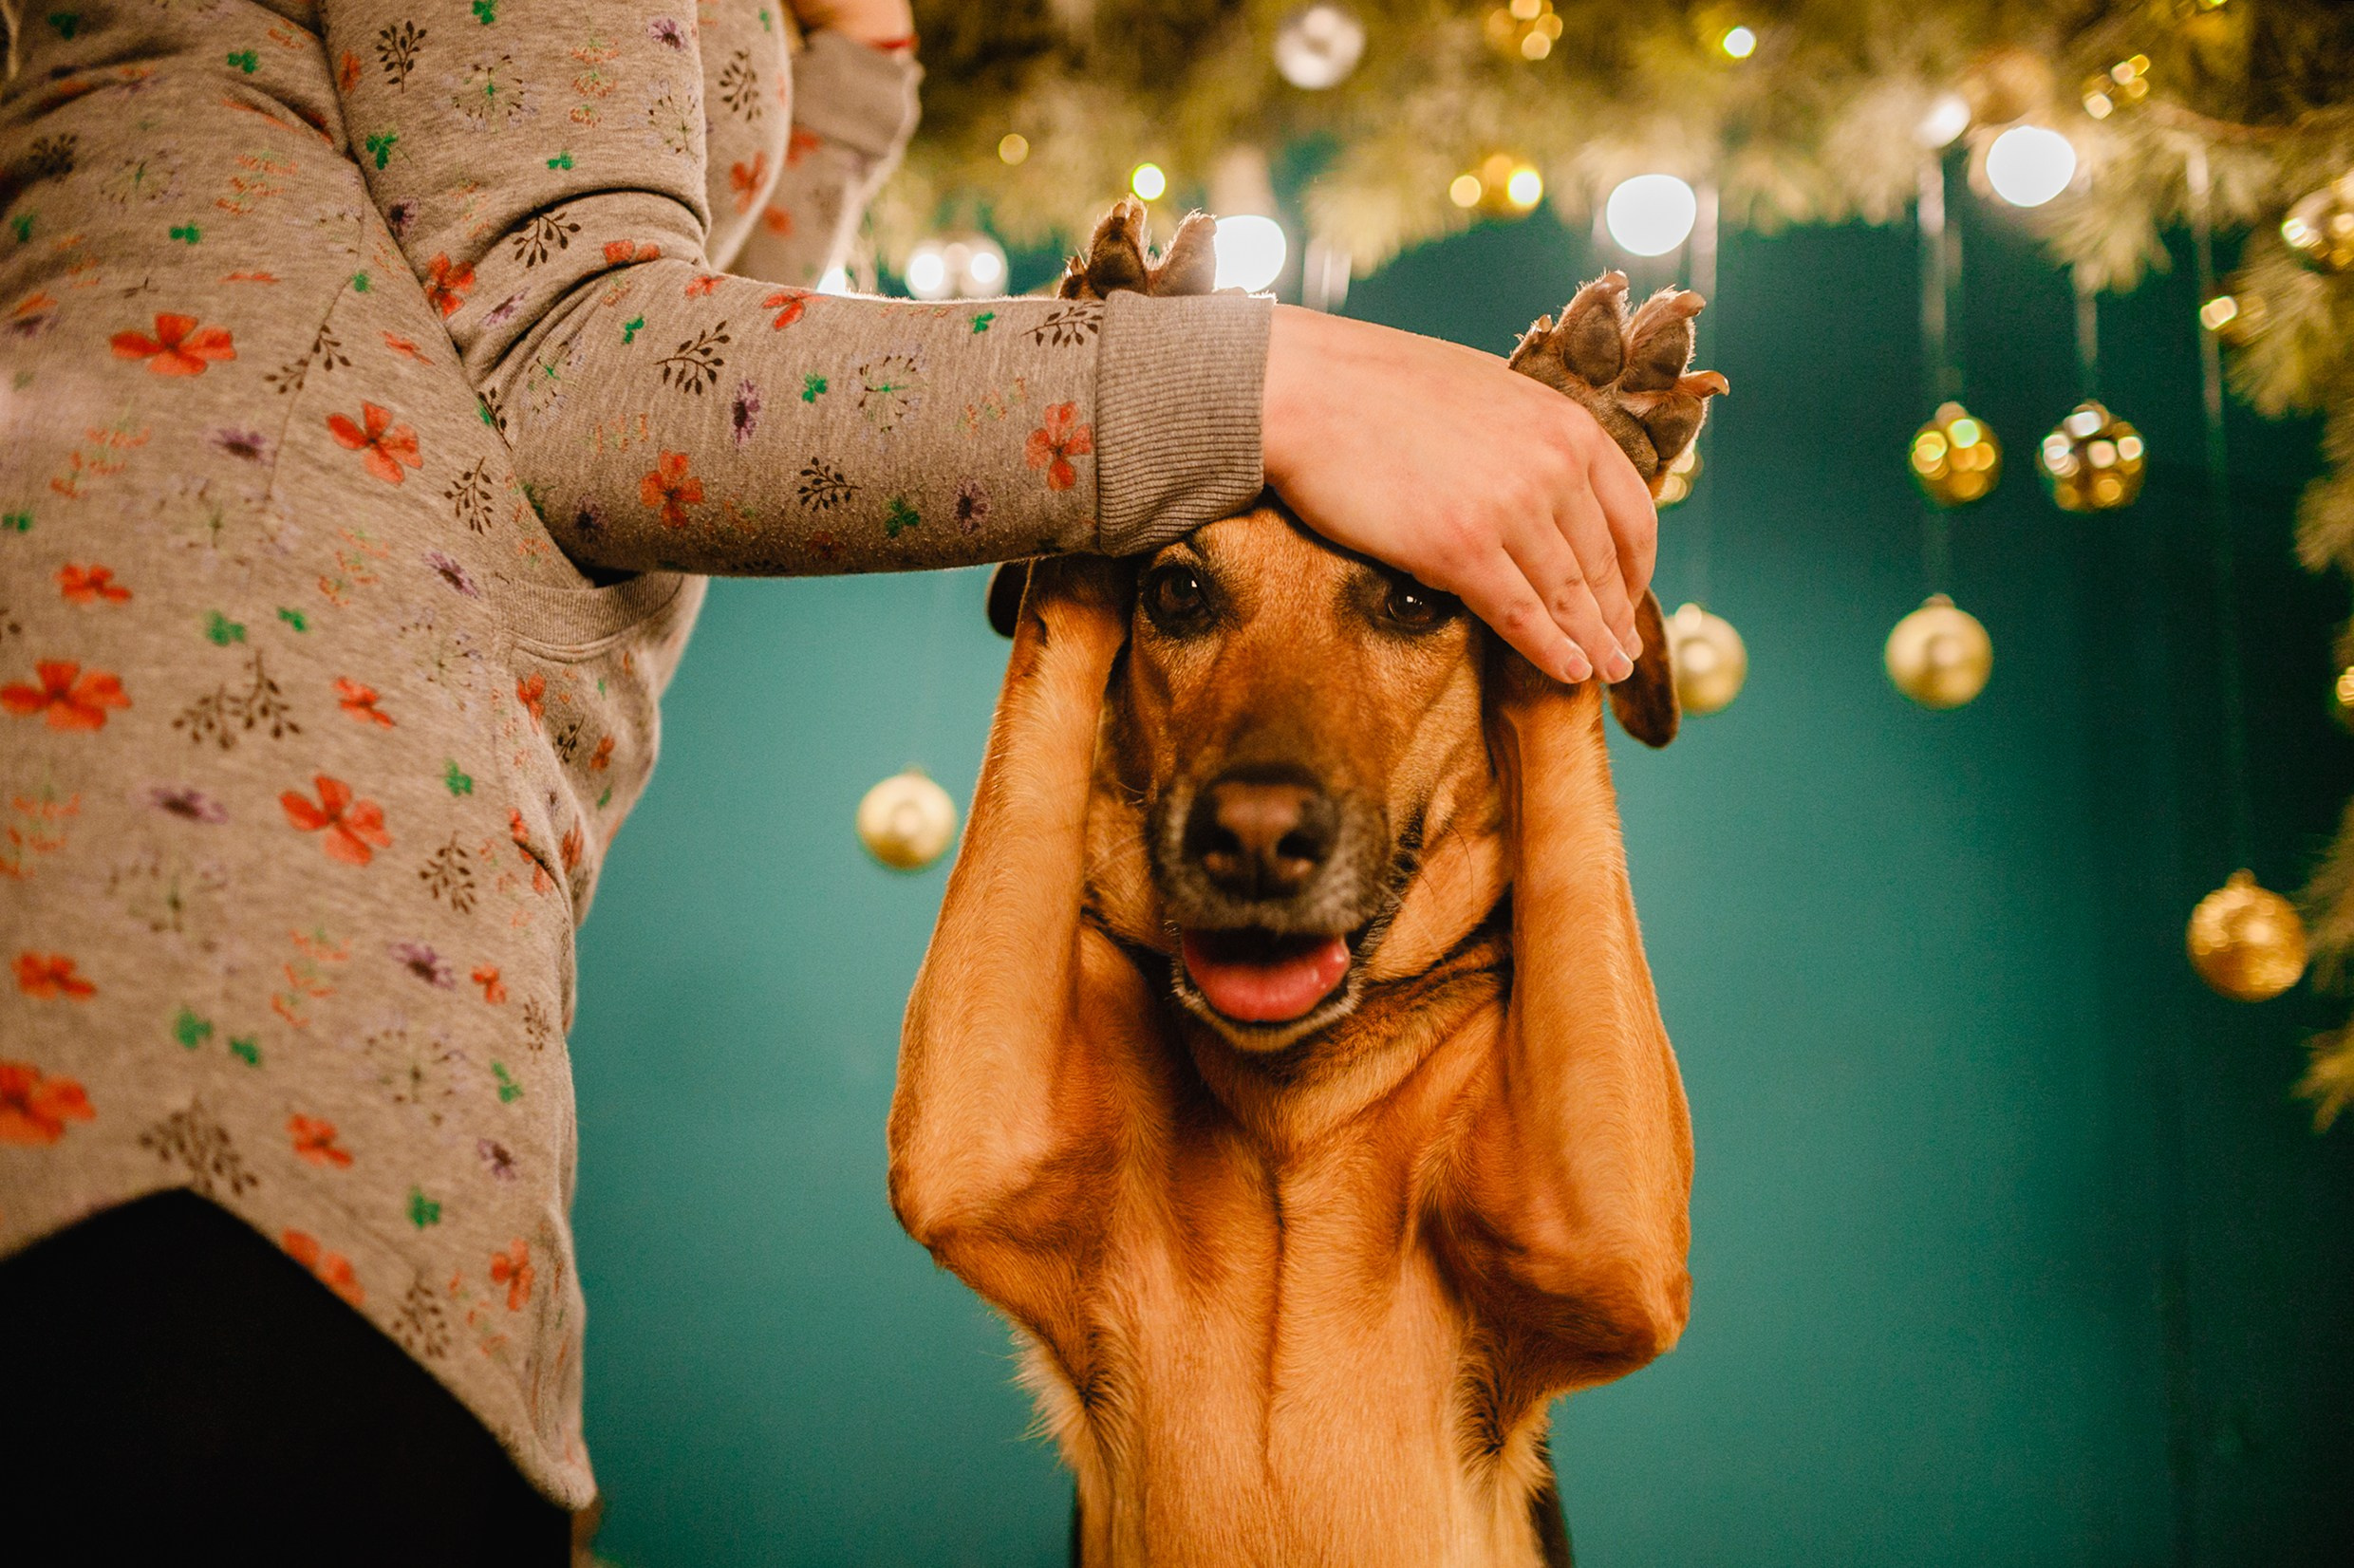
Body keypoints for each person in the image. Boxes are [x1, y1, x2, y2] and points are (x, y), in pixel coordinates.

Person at [0, 0, 1660, 1557]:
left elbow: (571, 378)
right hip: (186, 943)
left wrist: (844, 85)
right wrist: (1256, 394)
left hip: (340, 988)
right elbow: (585, 383)